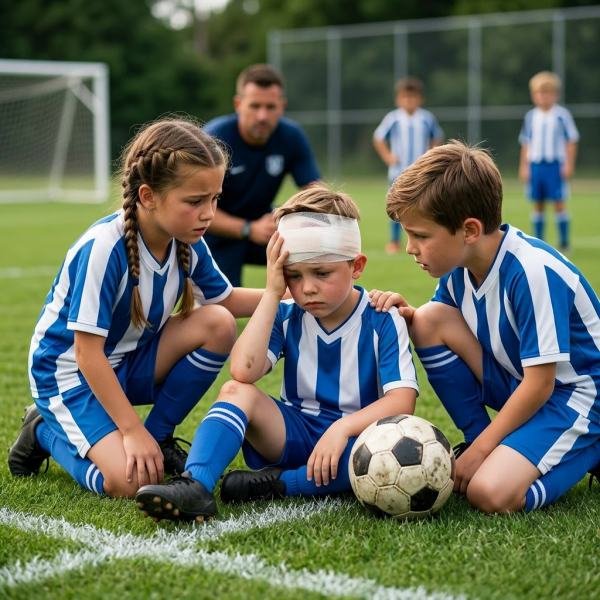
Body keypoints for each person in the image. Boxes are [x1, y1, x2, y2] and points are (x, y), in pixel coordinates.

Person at [8, 117, 266, 499]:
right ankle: (43, 430)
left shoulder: (187, 239)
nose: (209, 213)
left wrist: (287, 291)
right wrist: (130, 430)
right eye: (195, 201)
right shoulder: (103, 248)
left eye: (214, 199)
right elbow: (85, 352)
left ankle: (159, 437)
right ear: (148, 196)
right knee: (132, 483)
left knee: (219, 323)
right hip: (69, 376)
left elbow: (225, 301)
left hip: (126, 362)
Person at [135, 183, 419, 522]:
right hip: (292, 431)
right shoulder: (287, 312)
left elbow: (402, 401)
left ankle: (279, 485)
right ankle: (196, 485)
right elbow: (243, 370)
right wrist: (272, 294)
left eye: (322, 273)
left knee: (378, 459)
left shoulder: (382, 317)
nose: (308, 287)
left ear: (356, 266)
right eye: (293, 276)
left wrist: (342, 430)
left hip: (354, 440)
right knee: (236, 392)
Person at [384, 140, 600, 514]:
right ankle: (477, 438)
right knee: (426, 319)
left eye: (420, 235)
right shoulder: (457, 272)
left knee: (489, 493)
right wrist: (401, 315)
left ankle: (591, 446)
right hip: (523, 382)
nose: (409, 247)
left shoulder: (532, 272)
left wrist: (486, 451)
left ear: (469, 230)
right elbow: (441, 327)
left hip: (577, 395)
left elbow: (542, 382)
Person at [202, 63, 321, 287]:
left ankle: (301, 315)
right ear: (238, 104)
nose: (262, 116)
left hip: (266, 228)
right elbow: (196, 209)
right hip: (215, 235)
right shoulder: (214, 139)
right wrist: (248, 228)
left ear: (282, 106)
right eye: (255, 106)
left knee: (316, 256)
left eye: (270, 107)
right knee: (221, 315)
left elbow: (316, 193)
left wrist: (289, 218)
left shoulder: (291, 136)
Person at [373, 76, 443, 255]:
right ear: (399, 99)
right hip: (398, 172)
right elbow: (379, 138)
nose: (409, 101)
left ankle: (424, 236)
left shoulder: (427, 118)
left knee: (425, 204)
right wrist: (388, 156)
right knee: (397, 206)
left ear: (420, 98)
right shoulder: (393, 119)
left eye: (413, 97)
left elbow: (437, 137)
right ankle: (395, 241)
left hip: (422, 172)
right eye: (405, 97)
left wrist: (431, 156)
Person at [519, 71, 579, 252]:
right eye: (539, 93)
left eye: (547, 93)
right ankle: (538, 242)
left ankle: (564, 242)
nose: (543, 97)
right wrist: (524, 166)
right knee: (538, 203)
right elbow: (526, 143)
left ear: (556, 95)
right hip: (536, 165)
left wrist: (568, 164)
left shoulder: (562, 115)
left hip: (555, 166)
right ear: (533, 95)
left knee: (559, 202)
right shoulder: (531, 117)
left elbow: (571, 141)